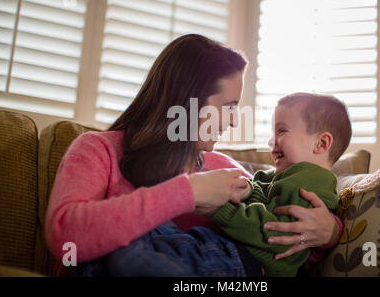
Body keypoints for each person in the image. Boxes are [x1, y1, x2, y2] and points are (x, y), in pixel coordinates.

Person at [45, 34, 343, 277]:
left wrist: (329, 232)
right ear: (189, 104)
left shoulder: (226, 171)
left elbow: (275, 229)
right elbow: (67, 239)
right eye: (228, 106)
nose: (234, 121)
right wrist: (187, 192)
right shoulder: (99, 150)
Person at [212, 93, 352, 276]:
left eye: (282, 131)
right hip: (230, 250)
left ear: (321, 143)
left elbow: (277, 234)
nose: (271, 142)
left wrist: (222, 210)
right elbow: (261, 197)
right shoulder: (284, 175)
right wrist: (248, 190)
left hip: (247, 262)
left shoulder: (313, 183)